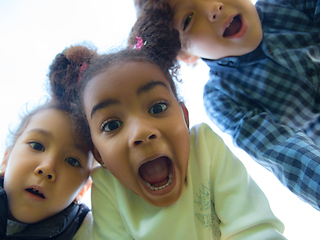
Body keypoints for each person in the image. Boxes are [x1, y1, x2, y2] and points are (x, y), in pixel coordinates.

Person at [52, 40, 286, 238]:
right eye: (112, 125)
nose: (141, 132)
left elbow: (254, 229)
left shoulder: (205, 147)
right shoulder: (108, 188)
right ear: (99, 154)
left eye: (157, 107)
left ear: (185, 118)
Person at [132, 0, 320, 210]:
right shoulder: (221, 99)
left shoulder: (288, 5)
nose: (214, 8)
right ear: (185, 54)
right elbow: (287, 154)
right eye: (189, 19)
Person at [0, 47, 96, 240]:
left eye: (72, 161)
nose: (47, 168)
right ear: (6, 158)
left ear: (83, 189)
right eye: (37, 146)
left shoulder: (89, 234)